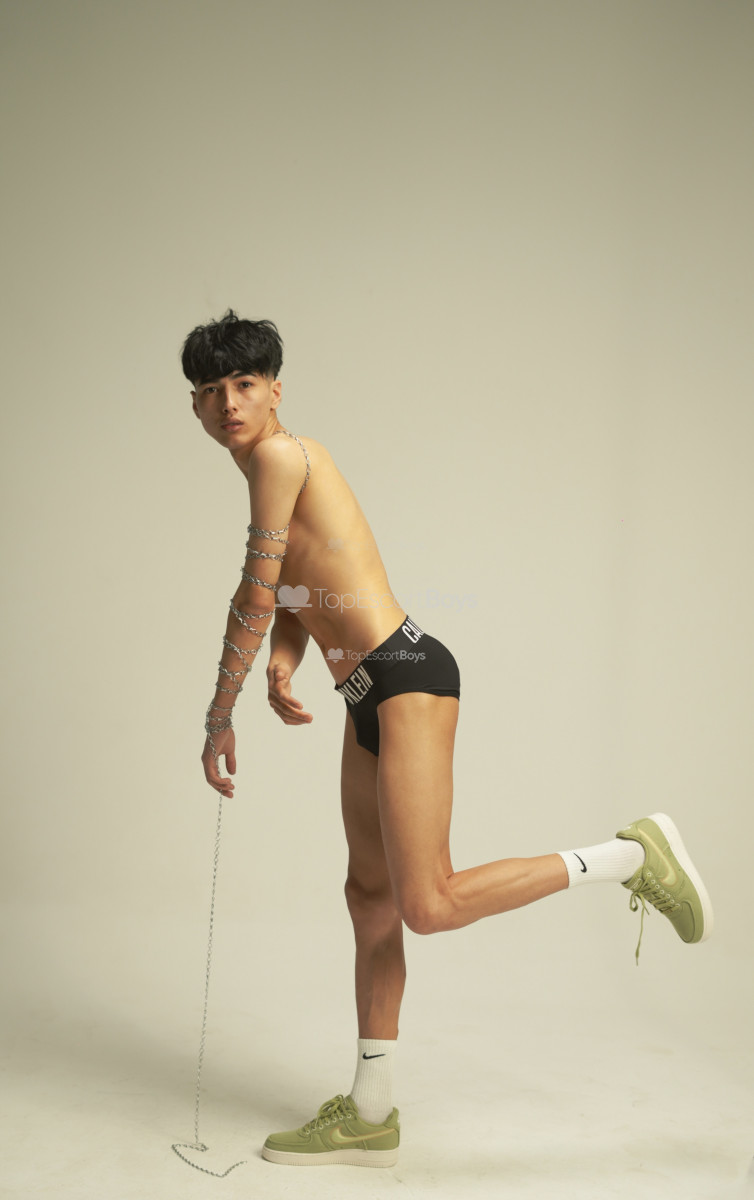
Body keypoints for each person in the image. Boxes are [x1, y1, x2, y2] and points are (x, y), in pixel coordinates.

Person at [181, 310, 714, 1169]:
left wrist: (219, 715)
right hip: (365, 692)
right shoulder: (269, 467)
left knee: (425, 904)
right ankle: (370, 1114)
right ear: (196, 408)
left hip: (405, 676)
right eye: (211, 391)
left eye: (244, 384)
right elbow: (297, 590)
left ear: (276, 389)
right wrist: (285, 659)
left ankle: (627, 857)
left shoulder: (280, 457)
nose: (229, 403)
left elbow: (254, 590)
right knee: (370, 899)